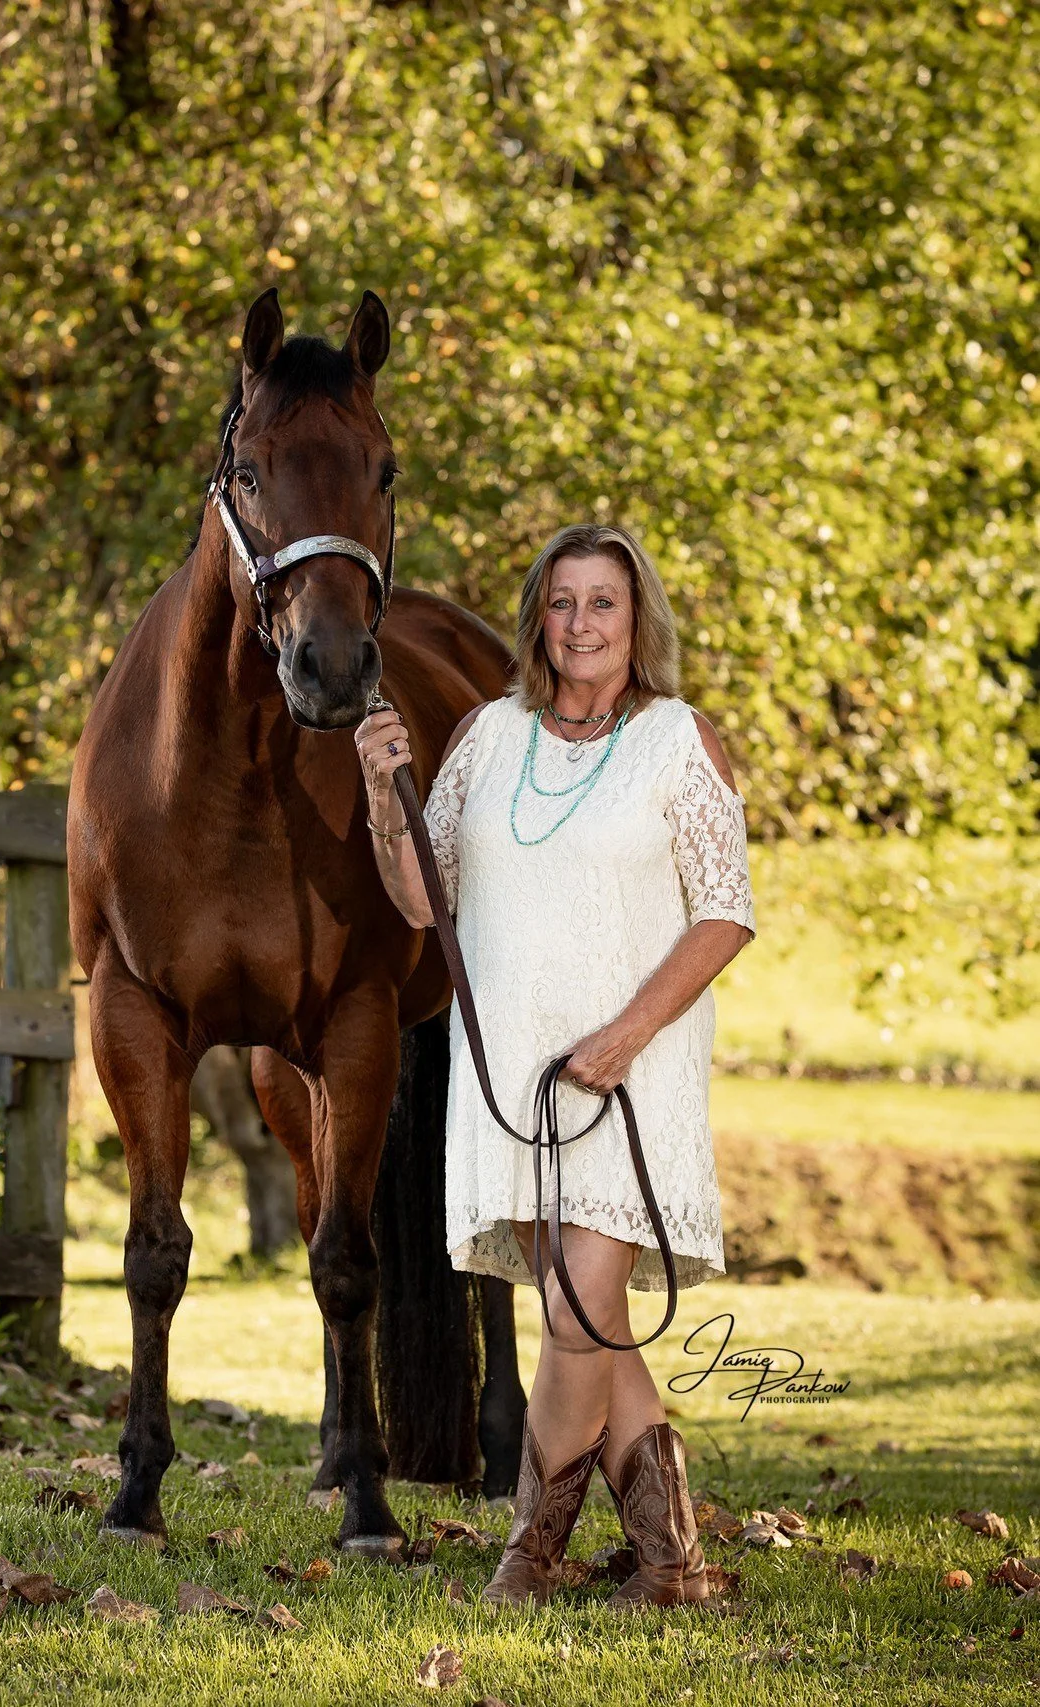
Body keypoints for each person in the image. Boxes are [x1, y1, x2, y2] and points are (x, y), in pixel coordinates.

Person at [354, 521, 756, 1612]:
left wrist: (625, 1035)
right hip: (511, 1078)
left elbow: (726, 914)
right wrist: (384, 793)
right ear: (538, 617)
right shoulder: (489, 736)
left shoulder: (679, 739)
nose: (581, 623)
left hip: (631, 1075)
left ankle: (528, 1555)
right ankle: (674, 1567)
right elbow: (418, 900)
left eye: (603, 604)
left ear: (637, 624)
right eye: (562, 602)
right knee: (592, 1323)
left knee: (577, 1315)